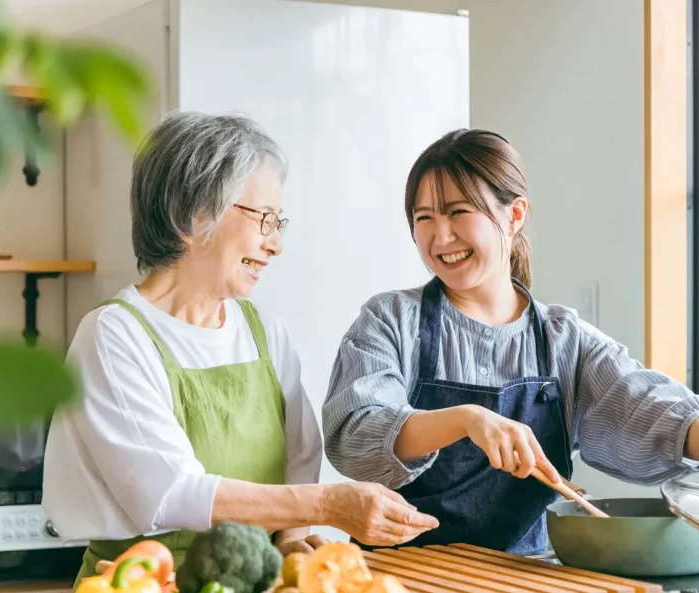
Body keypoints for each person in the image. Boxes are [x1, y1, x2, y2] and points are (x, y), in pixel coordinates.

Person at [321, 129, 699, 554]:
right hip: (400, 577)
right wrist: (466, 420)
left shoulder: (563, 339)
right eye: (423, 218)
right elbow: (356, 433)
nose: (440, 235)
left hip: (531, 575)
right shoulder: (389, 320)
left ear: (515, 215)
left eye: (458, 212)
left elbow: (642, 403)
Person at [42, 112, 438, 584]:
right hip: (144, 581)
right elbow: (169, 493)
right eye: (265, 219)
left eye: (279, 222)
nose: (276, 245)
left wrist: (292, 538)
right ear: (192, 216)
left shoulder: (264, 329)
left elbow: (300, 456)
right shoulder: (113, 335)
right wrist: (330, 505)